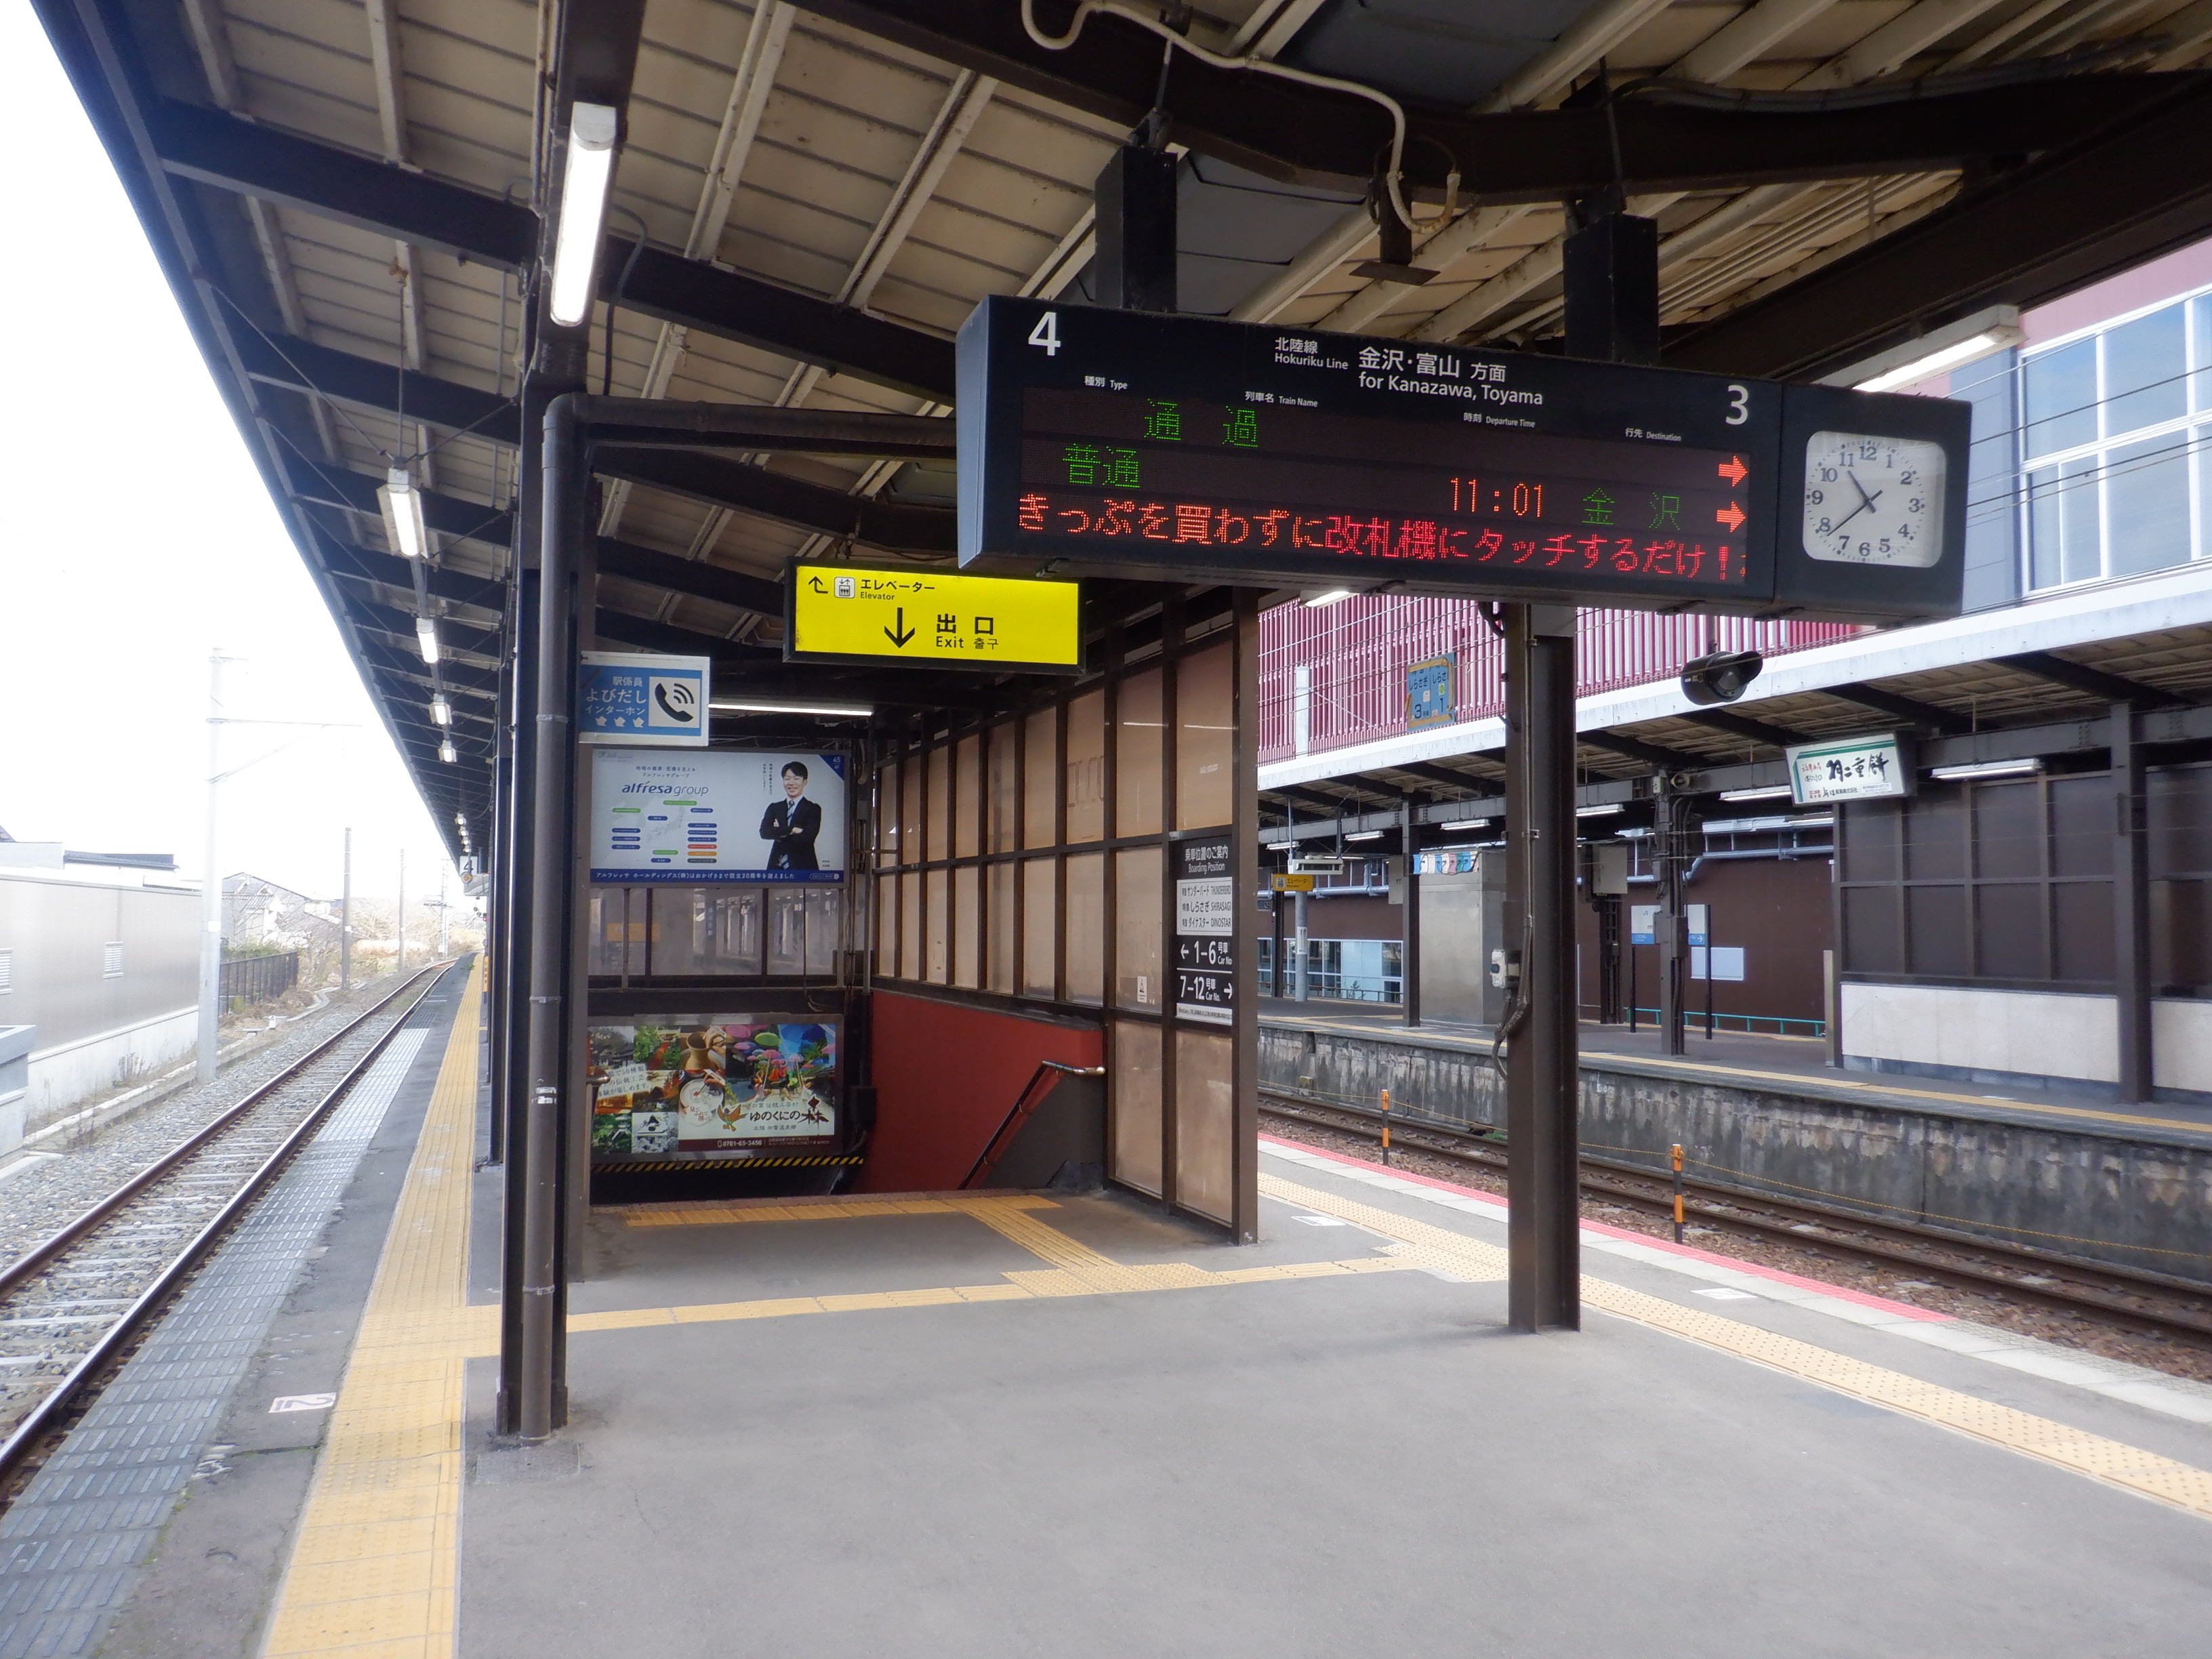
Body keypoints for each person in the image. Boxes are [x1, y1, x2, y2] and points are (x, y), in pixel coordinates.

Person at [758, 760, 821, 870]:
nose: (791, 783)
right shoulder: (774, 808)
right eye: (787, 779)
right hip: (776, 867)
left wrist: (778, 832)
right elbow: (764, 832)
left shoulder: (812, 809)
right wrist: (792, 830)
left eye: (796, 779)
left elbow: (808, 838)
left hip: (804, 868)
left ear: (805, 782)